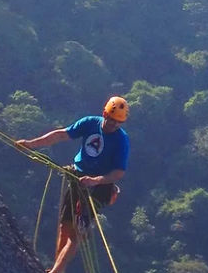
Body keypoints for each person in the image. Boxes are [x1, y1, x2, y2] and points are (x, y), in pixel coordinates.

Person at [16, 96, 130, 273]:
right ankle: (57, 268)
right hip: (78, 177)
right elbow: (62, 134)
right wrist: (31, 144)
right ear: (104, 113)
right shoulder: (90, 123)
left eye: (118, 123)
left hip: (99, 187)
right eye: (111, 120)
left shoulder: (121, 140)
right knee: (65, 226)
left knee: (76, 233)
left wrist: (96, 180)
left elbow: (118, 172)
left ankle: (56, 271)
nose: (114, 125)